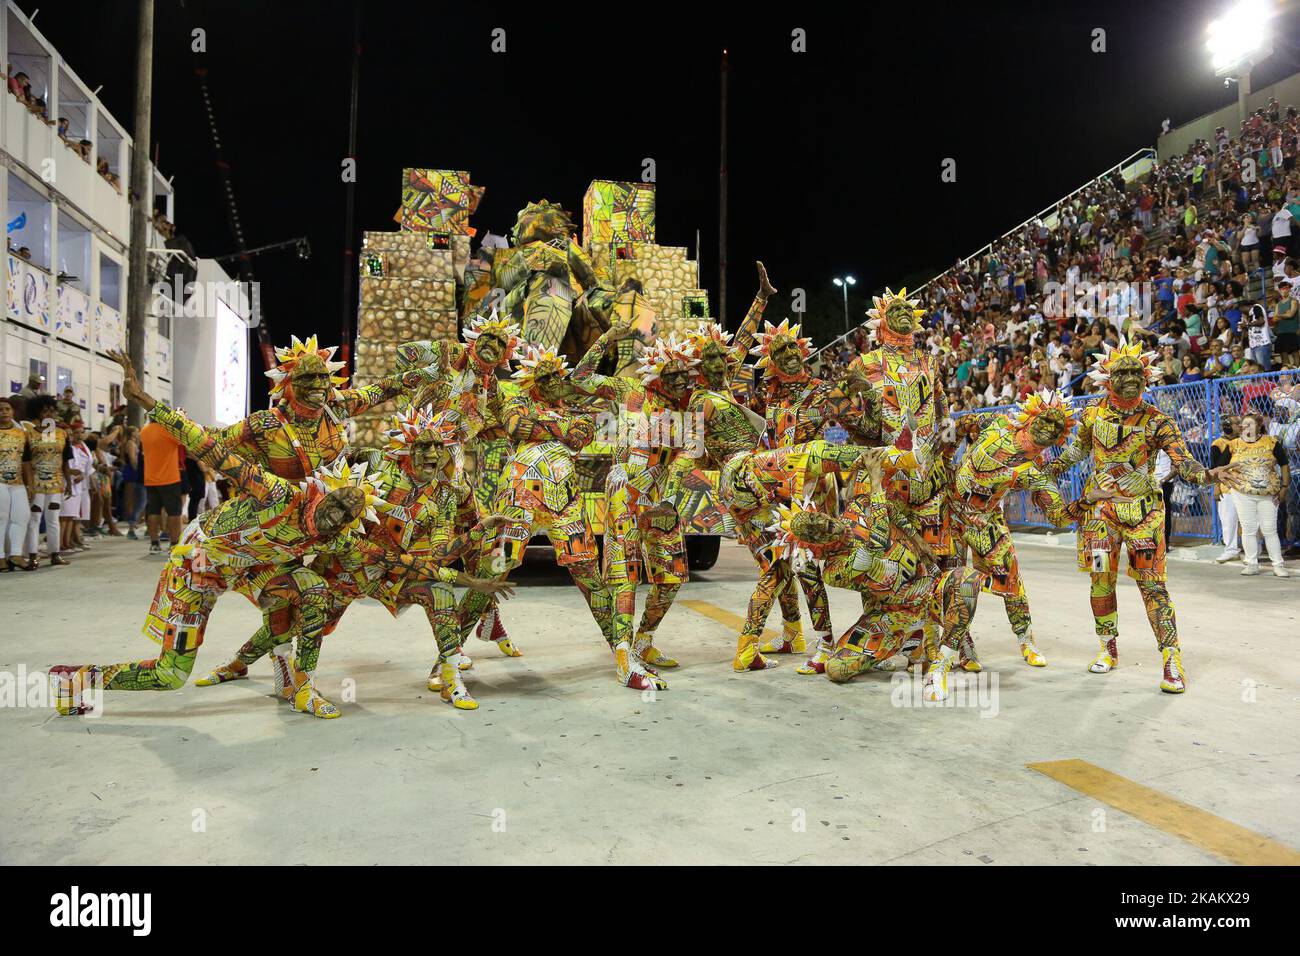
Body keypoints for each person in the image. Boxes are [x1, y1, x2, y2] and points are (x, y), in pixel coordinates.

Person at [1227, 412, 1291, 577]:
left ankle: (1278, 565)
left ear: (1259, 426)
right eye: (1244, 424)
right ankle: (1252, 563)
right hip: (1242, 493)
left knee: (1269, 529)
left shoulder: (1271, 442)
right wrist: (1227, 482)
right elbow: (1219, 466)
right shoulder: (1233, 444)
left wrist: (1284, 486)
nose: (1246, 427)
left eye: (1250, 424)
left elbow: (1284, 464)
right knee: (1248, 530)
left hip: (1268, 493)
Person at [22, 395, 71, 569]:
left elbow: (65, 460)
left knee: (53, 518)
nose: (48, 413)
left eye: (51, 410)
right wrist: (28, 484)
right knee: (34, 518)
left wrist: (69, 482)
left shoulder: (62, 433)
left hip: (56, 483)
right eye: (44, 410)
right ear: (37, 413)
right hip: (37, 483)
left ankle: (55, 553)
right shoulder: (29, 434)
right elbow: (26, 461)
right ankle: (32, 555)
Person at [139, 404, 185, 555]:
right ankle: (174, 543)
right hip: (169, 478)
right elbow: (183, 438)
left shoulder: (144, 431)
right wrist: (180, 418)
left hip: (151, 478)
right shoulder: (167, 431)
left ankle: (154, 543)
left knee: (153, 511)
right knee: (174, 513)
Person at [0, 398, 32, 572]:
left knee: (22, 516)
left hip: (18, 482)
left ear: (13, 412)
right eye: (1, 410)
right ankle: (0, 558)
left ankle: (16, 554)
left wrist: (30, 484)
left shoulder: (21, 433)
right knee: (1, 519)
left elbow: (26, 461)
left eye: (7, 409)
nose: (4, 412)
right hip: (0, 482)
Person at [1212, 415, 1243, 563]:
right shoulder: (1218, 444)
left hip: (1244, 486)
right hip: (1227, 487)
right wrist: (1216, 488)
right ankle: (1231, 550)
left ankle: (1251, 551)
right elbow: (1214, 469)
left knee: (1247, 521)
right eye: (1237, 424)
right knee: (1228, 520)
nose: (1241, 426)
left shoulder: (1245, 442)